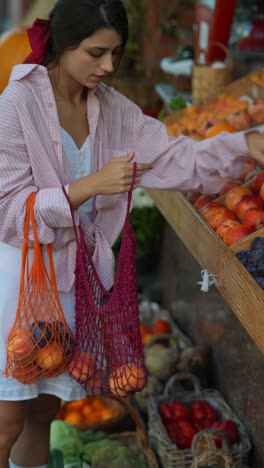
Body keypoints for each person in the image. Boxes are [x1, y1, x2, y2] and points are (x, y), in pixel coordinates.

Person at [0, 0, 264, 466]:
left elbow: (178, 158)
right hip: (20, 282)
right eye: (96, 53)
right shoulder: (17, 105)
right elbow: (7, 210)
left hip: (73, 285)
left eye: (115, 55)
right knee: (5, 420)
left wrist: (244, 144)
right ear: (63, 45)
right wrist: (88, 187)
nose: (107, 67)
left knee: (43, 409)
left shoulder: (115, 111)